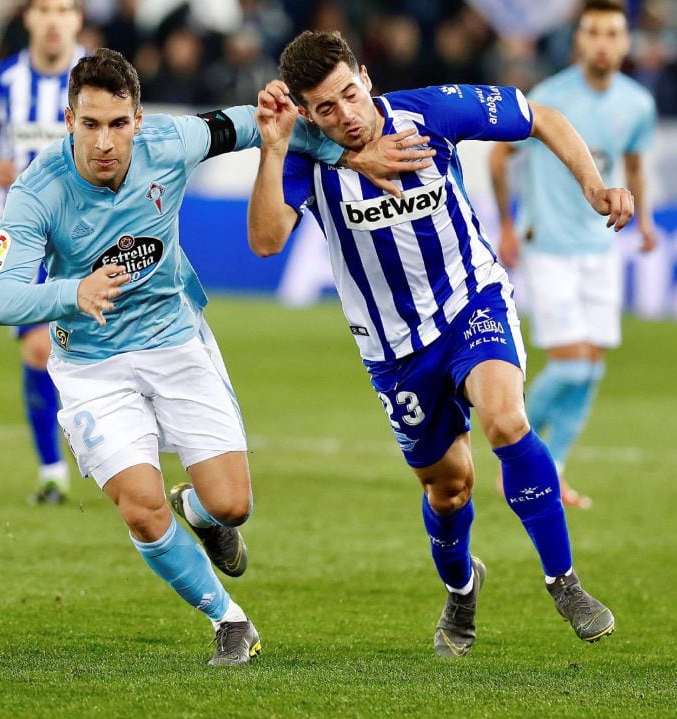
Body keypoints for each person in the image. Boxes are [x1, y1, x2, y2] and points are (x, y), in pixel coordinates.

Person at [0, 47, 417, 665]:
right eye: (90, 124)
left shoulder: (172, 140)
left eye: (119, 124)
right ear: (69, 119)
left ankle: (203, 514)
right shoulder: (37, 191)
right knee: (140, 504)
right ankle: (227, 619)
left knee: (233, 504)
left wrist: (349, 152)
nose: (105, 141)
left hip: (176, 341)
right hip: (92, 365)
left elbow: (266, 125)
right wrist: (71, 292)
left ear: (140, 118)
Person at [248, 30, 633, 658]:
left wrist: (593, 187)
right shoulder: (304, 157)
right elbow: (266, 242)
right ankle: (460, 589)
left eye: (349, 94)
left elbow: (543, 117)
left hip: (470, 299)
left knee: (506, 419)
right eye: (325, 108)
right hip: (395, 349)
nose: (345, 114)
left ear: (365, 77)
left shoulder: (430, 113)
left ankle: (564, 581)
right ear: (307, 113)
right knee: (448, 487)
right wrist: (272, 149)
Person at [489, 0, 657, 509]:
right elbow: (500, 155)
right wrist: (506, 225)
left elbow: (633, 165)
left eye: (612, 33)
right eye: (592, 32)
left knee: (593, 368)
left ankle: (553, 469)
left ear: (626, 42)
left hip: (601, 246)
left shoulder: (638, 104)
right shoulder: (550, 97)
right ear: (579, 41)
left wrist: (644, 222)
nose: (602, 42)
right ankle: (511, 451)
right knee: (569, 366)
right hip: (550, 246)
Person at [0, 0, 85, 505]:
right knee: (38, 348)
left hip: (88, 230)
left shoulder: (95, 76)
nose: (54, 19)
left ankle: (111, 450)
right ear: (29, 19)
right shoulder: (2, 82)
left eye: (64, 8)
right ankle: (52, 470)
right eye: (45, 8)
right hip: (25, 236)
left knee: (99, 347)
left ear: (78, 19)